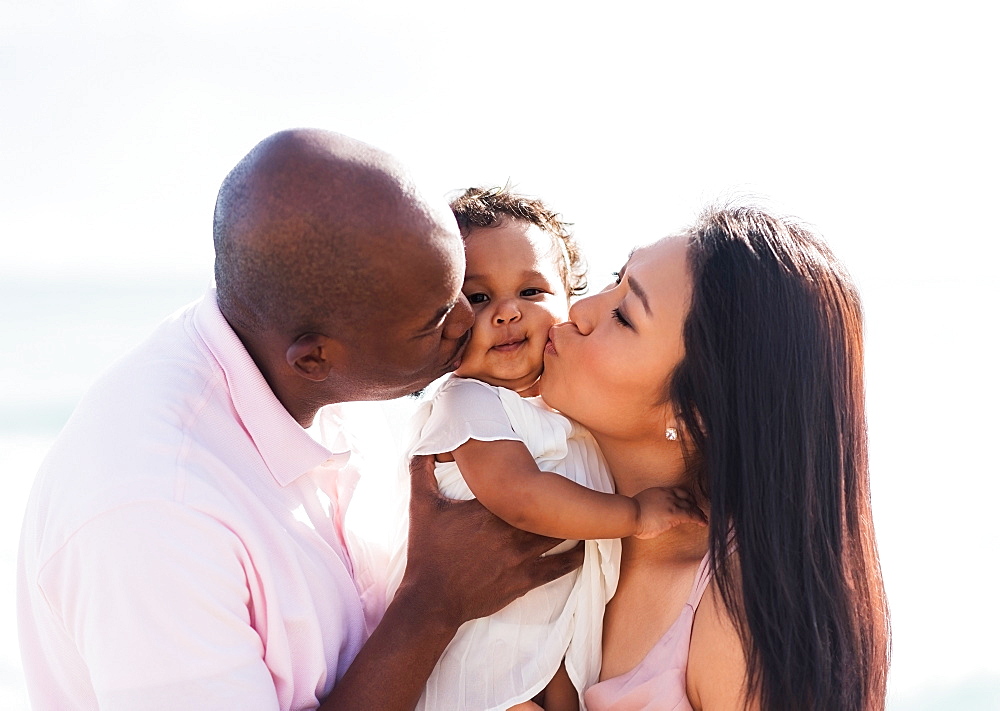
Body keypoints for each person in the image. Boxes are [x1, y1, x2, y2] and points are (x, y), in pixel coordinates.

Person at [17, 130, 583, 711]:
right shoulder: (153, 514)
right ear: (314, 357)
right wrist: (434, 604)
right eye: (440, 314)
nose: (470, 321)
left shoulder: (316, 354)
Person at [537, 205, 891, 710]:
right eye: (616, 279)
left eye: (623, 315)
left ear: (700, 413)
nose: (580, 309)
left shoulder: (737, 613)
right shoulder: (540, 510)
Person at [385, 187, 704, 711]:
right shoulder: (469, 402)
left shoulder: (561, 415)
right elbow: (521, 497)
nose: (508, 313)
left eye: (531, 292)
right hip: (477, 660)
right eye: (479, 298)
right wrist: (633, 514)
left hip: (540, 643)